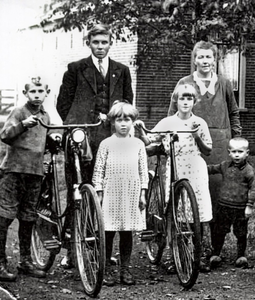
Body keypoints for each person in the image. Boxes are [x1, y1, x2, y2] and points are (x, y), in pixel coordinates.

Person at [56, 23, 134, 269]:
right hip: (83, 139)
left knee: (106, 193)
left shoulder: (121, 70)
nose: (100, 47)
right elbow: (63, 105)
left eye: (104, 42)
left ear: (111, 44)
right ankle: (72, 248)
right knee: (78, 191)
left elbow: (127, 104)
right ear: (88, 43)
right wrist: (77, 129)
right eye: (96, 42)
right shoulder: (76, 69)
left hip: (111, 141)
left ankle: (102, 247)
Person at [168, 41, 242, 262]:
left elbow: (234, 112)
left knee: (216, 195)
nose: (205, 62)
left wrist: (236, 138)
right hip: (189, 145)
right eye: (200, 57)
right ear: (195, 59)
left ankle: (213, 248)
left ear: (215, 60)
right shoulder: (184, 83)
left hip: (219, 144)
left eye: (209, 57)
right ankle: (188, 244)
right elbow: (172, 113)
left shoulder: (225, 84)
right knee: (191, 193)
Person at [138, 83, 213, 272]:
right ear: (176, 100)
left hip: (195, 169)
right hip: (175, 168)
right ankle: (176, 255)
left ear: (194, 101)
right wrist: (141, 131)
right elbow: (150, 141)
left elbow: (208, 150)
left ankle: (198, 255)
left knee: (198, 214)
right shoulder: (168, 122)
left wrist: (197, 137)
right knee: (175, 212)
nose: (186, 102)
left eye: (189, 98)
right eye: (182, 98)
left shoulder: (199, 123)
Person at [92, 101, 149, 286]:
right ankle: (106, 268)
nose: (123, 124)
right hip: (110, 192)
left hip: (130, 192)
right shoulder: (106, 144)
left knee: (126, 233)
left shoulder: (138, 144)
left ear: (133, 121)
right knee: (108, 232)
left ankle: (125, 270)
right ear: (112, 122)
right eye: (119, 120)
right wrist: (98, 192)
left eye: (127, 120)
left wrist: (142, 193)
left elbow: (143, 171)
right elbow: (98, 170)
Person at [0, 76, 51, 281]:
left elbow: (42, 143)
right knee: (5, 215)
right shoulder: (19, 112)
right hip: (14, 170)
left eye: (41, 92)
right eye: (33, 92)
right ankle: (0, 263)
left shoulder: (46, 116)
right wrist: (23, 124)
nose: (37, 96)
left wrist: (53, 141)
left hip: (35, 172)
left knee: (28, 216)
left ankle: (25, 261)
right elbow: (5, 135)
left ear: (46, 93)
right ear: (25, 94)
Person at [207, 137, 255, 269]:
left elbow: (253, 189)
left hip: (240, 207)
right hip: (223, 206)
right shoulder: (224, 166)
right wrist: (200, 167)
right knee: (219, 231)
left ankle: (241, 256)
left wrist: (249, 206)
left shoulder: (248, 170)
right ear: (229, 152)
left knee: (241, 232)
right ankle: (216, 254)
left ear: (247, 153)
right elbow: (212, 169)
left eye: (240, 152)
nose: (236, 155)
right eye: (233, 151)